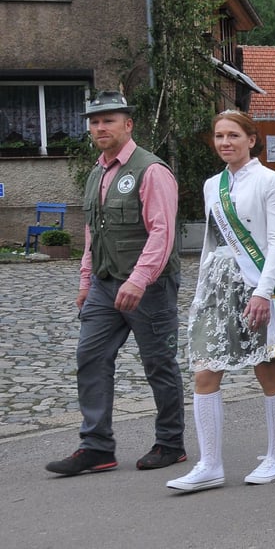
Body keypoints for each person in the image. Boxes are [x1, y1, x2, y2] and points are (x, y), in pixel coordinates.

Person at [46, 91, 186, 475]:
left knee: (158, 364)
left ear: (128, 124)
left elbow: (162, 233)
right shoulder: (97, 172)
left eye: (108, 120)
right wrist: (86, 280)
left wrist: (139, 280)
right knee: (90, 358)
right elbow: (94, 231)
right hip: (106, 285)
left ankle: (170, 443)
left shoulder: (151, 170)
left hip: (150, 287)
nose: (99, 127)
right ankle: (96, 447)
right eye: (94, 122)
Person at [166, 111, 275, 491]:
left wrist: (263, 292)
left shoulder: (272, 181)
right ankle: (209, 465)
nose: (226, 143)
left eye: (234, 135)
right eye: (220, 136)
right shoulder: (212, 185)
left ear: (251, 139)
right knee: (204, 371)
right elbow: (212, 241)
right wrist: (202, 287)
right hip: (218, 286)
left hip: (258, 285)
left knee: (268, 372)